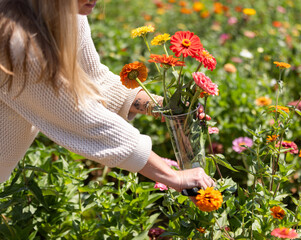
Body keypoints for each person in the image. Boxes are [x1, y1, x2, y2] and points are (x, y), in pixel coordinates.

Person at [0, 0, 214, 193]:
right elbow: (83, 116)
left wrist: (164, 107)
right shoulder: (17, 42)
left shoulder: (68, 13)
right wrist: (173, 176)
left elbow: (95, 79)